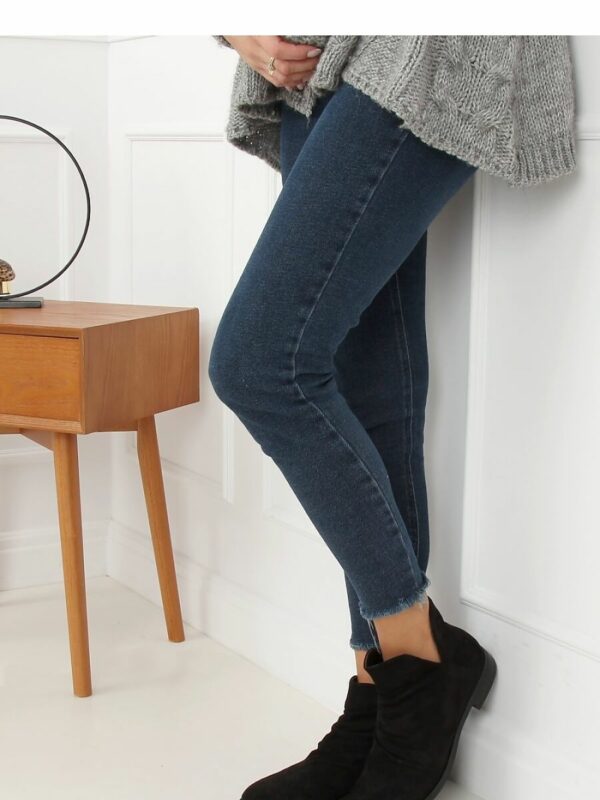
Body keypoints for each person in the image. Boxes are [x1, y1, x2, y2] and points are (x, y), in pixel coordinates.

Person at [208, 35, 576, 800]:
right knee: (364, 379)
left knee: (262, 364)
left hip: (423, 41)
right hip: (317, 50)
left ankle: (422, 666)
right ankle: (377, 692)